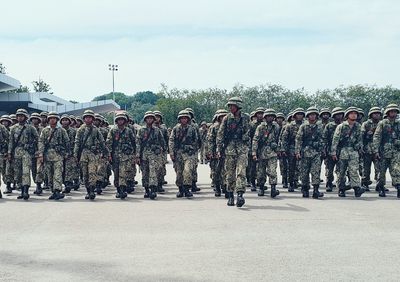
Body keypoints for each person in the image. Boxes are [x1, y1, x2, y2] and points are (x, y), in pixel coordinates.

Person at [217, 97, 250, 207]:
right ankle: (231, 195)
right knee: (230, 173)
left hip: (241, 148)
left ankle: (240, 194)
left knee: (241, 171)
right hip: (229, 149)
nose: (230, 107)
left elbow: (248, 132)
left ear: (238, 106)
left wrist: (245, 138)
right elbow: (220, 134)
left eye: (232, 105)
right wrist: (219, 148)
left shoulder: (245, 118)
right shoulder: (226, 118)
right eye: (229, 106)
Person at [331, 107, 365, 197]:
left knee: (354, 170)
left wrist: (359, 148)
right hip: (342, 151)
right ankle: (341, 189)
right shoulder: (341, 126)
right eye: (352, 113)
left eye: (355, 113)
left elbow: (360, 139)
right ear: (347, 115)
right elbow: (335, 140)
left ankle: (357, 188)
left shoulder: (358, 126)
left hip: (353, 152)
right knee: (341, 171)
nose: (354, 115)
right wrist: (333, 152)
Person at [74, 110, 108, 200]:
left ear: (92, 119)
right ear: (84, 119)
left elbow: (102, 142)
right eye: (86, 117)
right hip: (83, 154)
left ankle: (92, 190)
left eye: (89, 117)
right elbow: (77, 142)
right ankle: (88, 191)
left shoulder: (95, 130)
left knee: (92, 172)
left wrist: (106, 153)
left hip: (93, 154)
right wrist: (75, 155)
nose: (88, 119)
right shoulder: (81, 129)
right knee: (85, 174)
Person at [8, 109, 39, 200]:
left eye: (21, 116)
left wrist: (37, 151)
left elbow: (37, 139)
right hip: (16, 152)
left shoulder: (30, 128)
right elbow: (11, 141)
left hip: (27, 152)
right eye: (18, 116)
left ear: (25, 117)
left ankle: (26, 191)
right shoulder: (13, 128)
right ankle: (21, 190)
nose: (19, 117)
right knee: (18, 173)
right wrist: (9, 153)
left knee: (25, 171)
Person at [38, 112, 69, 200]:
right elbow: (41, 142)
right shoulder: (45, 130)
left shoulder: (61, 130)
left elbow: (67, 142)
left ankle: (57, 191)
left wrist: (66, 153)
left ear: (57, 120)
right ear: (48, 120)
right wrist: (41, 154)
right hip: (47, 155)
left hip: (58, 155)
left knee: (58, 173)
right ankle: (53, 191)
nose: (52, 119)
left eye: (54, 118)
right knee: (49, 174)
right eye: (50, 118)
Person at [295, 107, 324, 198]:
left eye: (314, 114)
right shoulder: (303, 126)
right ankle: (305, 188)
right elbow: (298, 139)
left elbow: (323, 139)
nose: (312, 116)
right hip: (305, 152)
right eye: (311, 115)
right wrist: (297, 152)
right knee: (304, 172)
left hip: (316, 152)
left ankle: (316, 190)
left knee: (316, 171)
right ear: (308, 116)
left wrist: (323, 149)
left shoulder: (320, 126)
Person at [169, 110, 199, 198]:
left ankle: (187, 189)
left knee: (188, 171)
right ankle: (180, 189)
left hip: (189, 154)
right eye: (182, 118)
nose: (184, 120)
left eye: (185, 118)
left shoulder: (192, 129)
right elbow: (171, 140)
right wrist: (171, 152)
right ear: (179, 119)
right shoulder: (176, 129)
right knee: (179, 172)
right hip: (178, 153)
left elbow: (196, 141)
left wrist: (192, 149)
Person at [136, 111, 166, 200]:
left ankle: (153, 189)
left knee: (153, 172)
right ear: (145, 119)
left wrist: (163, 152)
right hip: (144, 154)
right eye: (148, 118)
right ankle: (146, 189)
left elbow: (162, 142)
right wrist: (137, 156)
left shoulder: (157, 130)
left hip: (154, 155)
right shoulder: (141, 130)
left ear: (153, 120)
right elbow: (138, 143)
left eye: (151, 118)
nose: (149, 119)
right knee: (145, 172)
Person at [373, 104, 400, 198]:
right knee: (381, 171)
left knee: (396, 170)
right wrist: (376, 151)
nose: (394, 113)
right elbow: (377, 137)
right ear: (388, 113)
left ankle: (398, 187)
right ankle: (381, 188)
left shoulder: (398, 123)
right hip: (383, 151)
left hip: (396, 151)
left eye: (395, 111)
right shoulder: (382, 123)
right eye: (392, 111)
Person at [107, 113, 136, 199]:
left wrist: (135, 154)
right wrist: (109, 154)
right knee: (116, 174)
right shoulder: (113, 130)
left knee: (124, 173)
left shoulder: (129, 131)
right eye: (119, 119)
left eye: (122, 119)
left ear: (125, 121)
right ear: (116, 121)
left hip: (126, 156)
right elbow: (109, 143)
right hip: (115, 156)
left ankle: (123, 189)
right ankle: (118, 190)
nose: (120, 121)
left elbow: (134, 142)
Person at [252, 109, 280, 198]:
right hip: (262, 152)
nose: (270, 118)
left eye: (272, 116)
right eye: (268, 116)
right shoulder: (260, 127)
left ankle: (273, 188)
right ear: (265, 117)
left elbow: (279, 139)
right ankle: (261, 187)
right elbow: (255, 139)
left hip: (272, 152)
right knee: (261, 171)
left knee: (272, 171)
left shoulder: (276, 127)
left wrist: (278, 148)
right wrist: (254, 152)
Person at [280, 108, 305, 192]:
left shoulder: (305, 125)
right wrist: (283, 149)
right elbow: (284, 138)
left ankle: (301, 183)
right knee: (291, 167)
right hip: (291, 148)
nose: (300, 116)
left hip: (303, 148)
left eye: (301, 114)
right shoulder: (289, 126)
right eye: (298, 114)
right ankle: (290, 183)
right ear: (294, 116)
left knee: (302, 167)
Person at [323, 107, 344, 192]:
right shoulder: (329, 126)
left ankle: (341, 186)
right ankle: (329, 183)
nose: (339, 116)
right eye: (337, 115)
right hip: (330, 150)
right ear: (334, 116)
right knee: (329, 169)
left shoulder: (345, 125)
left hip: (342, 151)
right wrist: (324, 149)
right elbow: (324, 138)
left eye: (340, 114)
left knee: (341, 170)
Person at [207, 109, 228, 197]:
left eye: (224, 116)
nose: (223, 118)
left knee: (226, 171)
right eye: (221, 116)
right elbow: (210, 140)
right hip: (215, 152)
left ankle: (225, 187)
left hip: (227, 151)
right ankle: (217, 187)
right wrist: (211, 152)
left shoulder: (229, 126)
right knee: (216, 171)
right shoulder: (213, 127)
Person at [361, 107, 382, 191]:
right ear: (371, 115)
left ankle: (379, 184)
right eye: (375, 113)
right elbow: (361, 136)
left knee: (379, 168)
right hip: (367, 148)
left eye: (378, 113)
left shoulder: (382, 123)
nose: (376, 115)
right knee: (366, 168)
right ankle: (365, 183)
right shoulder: (366, 124)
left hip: (378, 149)